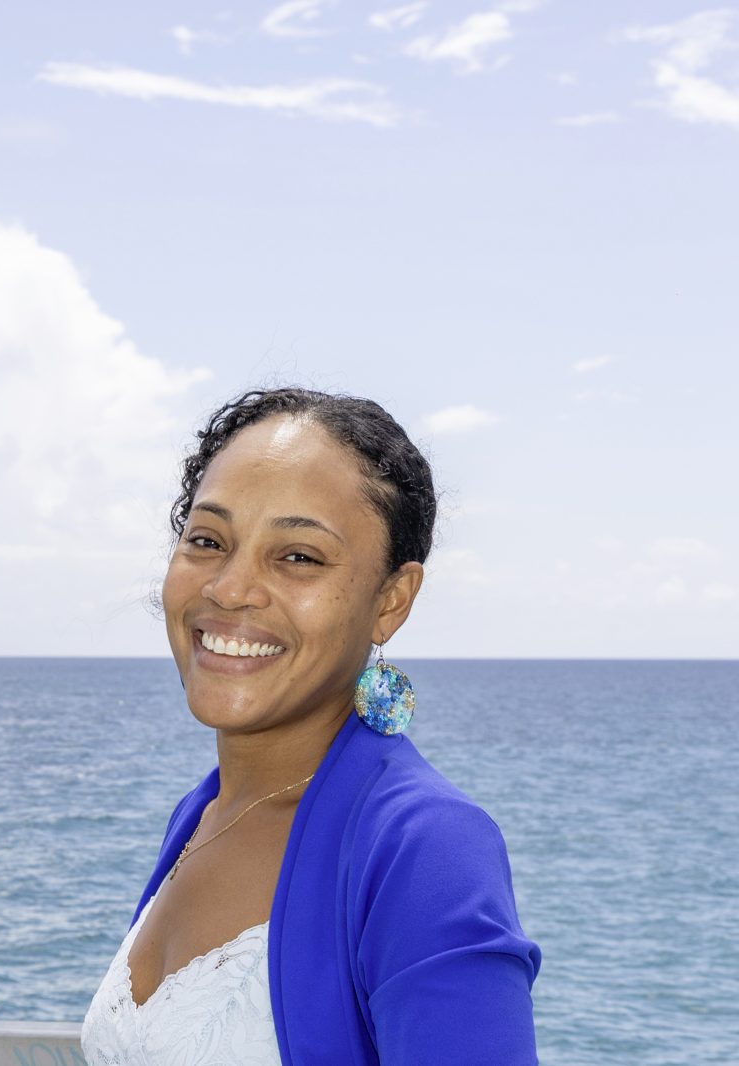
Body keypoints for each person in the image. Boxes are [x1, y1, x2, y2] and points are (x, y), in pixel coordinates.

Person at [81, 388, 539, 1064]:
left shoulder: (426, 848)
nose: (229, 588)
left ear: (391, 601)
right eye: (207, 541)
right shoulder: (203, 814)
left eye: (298, 556)